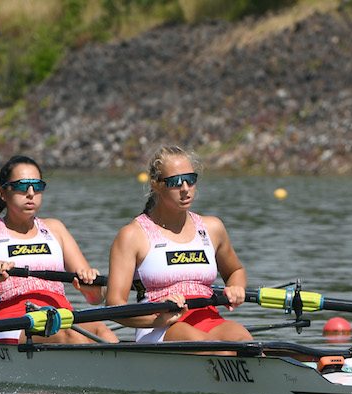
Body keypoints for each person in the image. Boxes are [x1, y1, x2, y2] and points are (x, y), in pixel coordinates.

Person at [0, 155, 119, 344]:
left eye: (37, 186)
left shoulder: (55, 229)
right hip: (12, 323)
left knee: (103, 331)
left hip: (62, 317)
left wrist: (91, 288)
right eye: (21, 186)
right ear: (3, 193)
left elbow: (96, 299)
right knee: (69, 337)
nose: (30, 193)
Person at [106, 146, 253, 343]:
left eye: (190, 179)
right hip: (159, 326)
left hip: (208, 318)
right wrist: (157, 319)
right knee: (203, 344)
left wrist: (235, 287)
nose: (185, 188)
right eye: (175, 182)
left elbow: (236, 270)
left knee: (244, 339)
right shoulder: (133, 235)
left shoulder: (212, 228)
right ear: (156, 186)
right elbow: (114, 306)